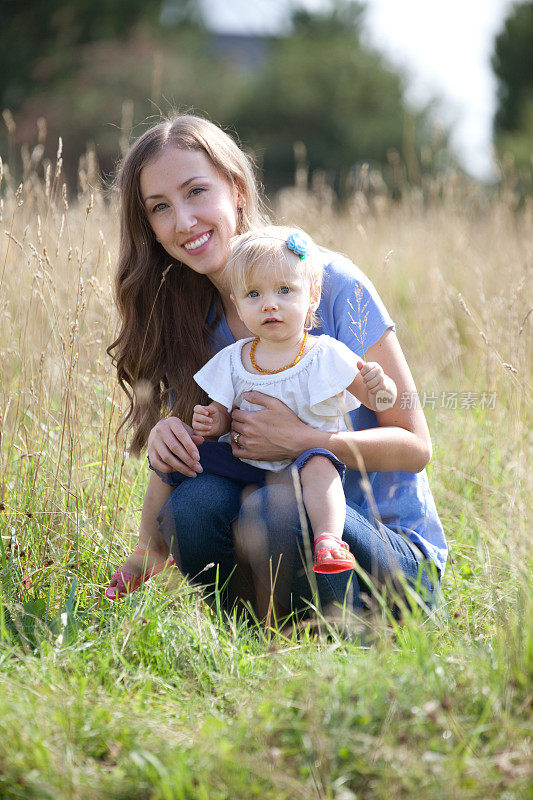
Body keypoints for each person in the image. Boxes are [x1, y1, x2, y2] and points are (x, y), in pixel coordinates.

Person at [106, 114, 447, 624]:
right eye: (160, 208)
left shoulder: (328, 285)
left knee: (277, 507)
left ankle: (350, 633)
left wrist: (305, 439)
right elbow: (222, 448)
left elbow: (416, 446)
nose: (182, 221)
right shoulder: (192, 321)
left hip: (389, 555)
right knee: (192, 507)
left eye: (196, 191)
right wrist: (172, 437)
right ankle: (262, 636)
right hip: (285, 537)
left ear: (237, 190)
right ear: (149, 227)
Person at [188, 226, 397, 576]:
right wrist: (213, 421)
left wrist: (381, 386)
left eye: (285, 290)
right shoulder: (235, 359)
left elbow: (378, 400)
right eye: (254, 294)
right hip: (250, 465)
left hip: (304, 463)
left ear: (312, 296)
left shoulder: (325, 355)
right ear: (238, 306)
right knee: (193, 459)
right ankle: (151, 545)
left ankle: (329, 541)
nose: (270, 303)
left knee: (320, 465)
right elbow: (224, 413)